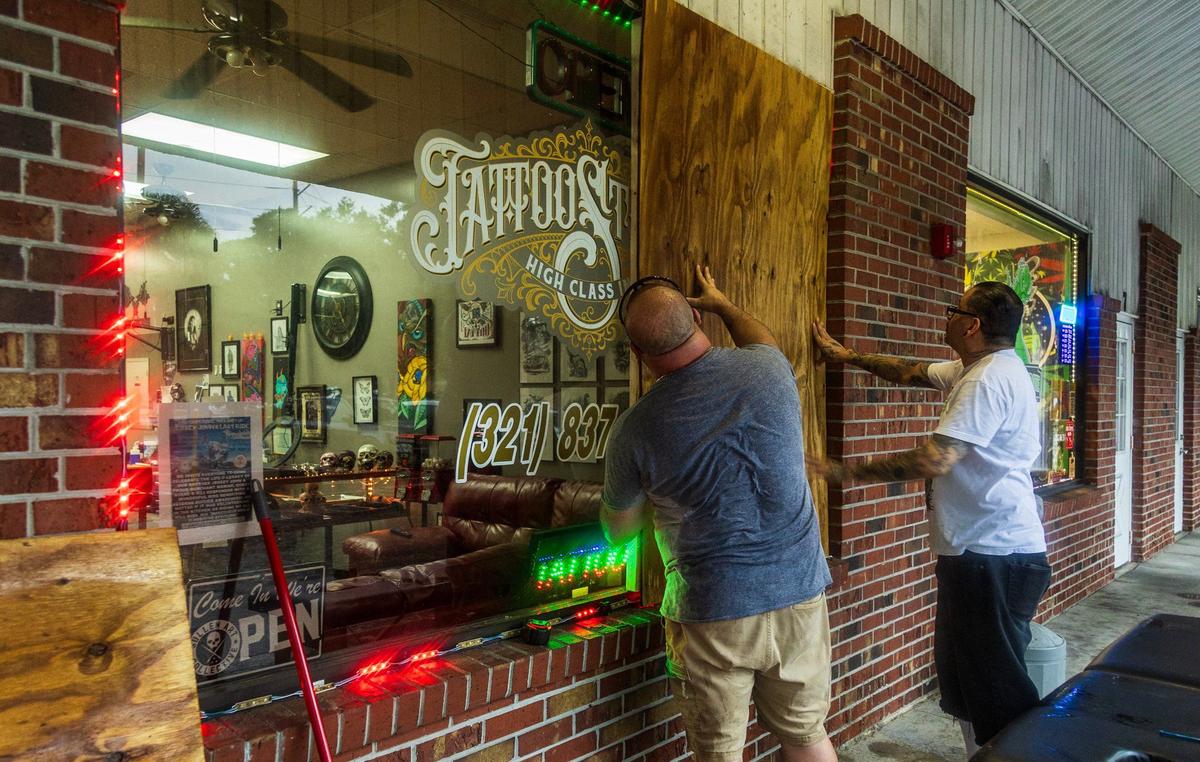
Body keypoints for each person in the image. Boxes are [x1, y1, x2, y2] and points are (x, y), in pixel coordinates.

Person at [601, 264, 835, 762]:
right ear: (697, 322)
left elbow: (619, 533)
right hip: (799, 594)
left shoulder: (634, 429)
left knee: (718, 755)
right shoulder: (769, 370)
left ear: (639, 357)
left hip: (713, 613)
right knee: (807, 736)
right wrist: (724, 303)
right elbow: (761, 337)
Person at [809, 281, 1052, 756]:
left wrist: (846, 471)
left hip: (993, 555)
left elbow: (936, 460)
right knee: (966, 684)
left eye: (951, 311)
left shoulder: (985, 380)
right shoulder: (983, 368)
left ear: (971, 324)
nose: (947, 318)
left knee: (996, 692)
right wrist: (846, 355)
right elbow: (912, 371)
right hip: (981, 554)